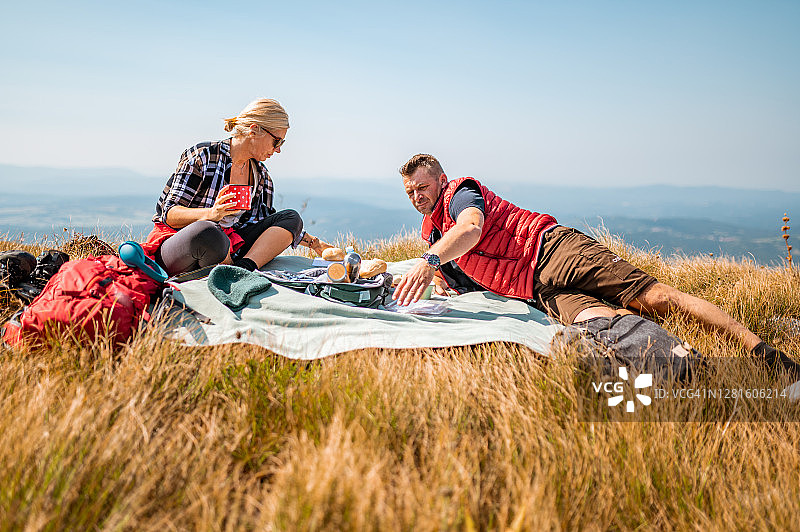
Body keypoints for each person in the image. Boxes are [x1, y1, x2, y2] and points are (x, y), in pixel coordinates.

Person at [393, 153, 800, 380]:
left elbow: (472, 229)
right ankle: (696, 373)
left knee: (655, 297)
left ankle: (763, 354)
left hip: (553, 250)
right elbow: (463, 275)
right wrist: (443, 279)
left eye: (422, 187)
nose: (417, 196)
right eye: (410, 192)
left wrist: (429, 262)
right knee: (606, 322)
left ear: (440, 180)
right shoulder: (431, 231)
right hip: (539, 291)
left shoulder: (459, 194)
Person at [142, 98, 328, 275]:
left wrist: (315, 244)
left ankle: (242, 270)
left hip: (230, 248)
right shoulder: (204, 156)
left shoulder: (260, 175)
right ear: (254, 130)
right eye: (277, 141)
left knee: (291, 218)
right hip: (185, 246)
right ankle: (230, 268)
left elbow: (266, 223)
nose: (278, 149)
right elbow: (169, 214)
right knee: (208, 231)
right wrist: (211, 214)